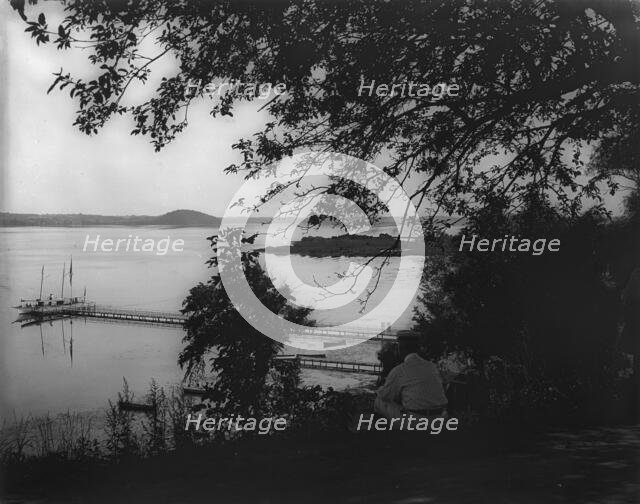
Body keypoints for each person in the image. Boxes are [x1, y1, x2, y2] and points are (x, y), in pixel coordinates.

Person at [374, 331, 448, 420]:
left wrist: (380, 388)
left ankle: (379, 428)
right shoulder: (432, 366)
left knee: (379, 401)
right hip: (440, 418)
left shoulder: (399, 370)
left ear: (400, 349)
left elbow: (385, 396)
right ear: (418, 349)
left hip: (416, 421)